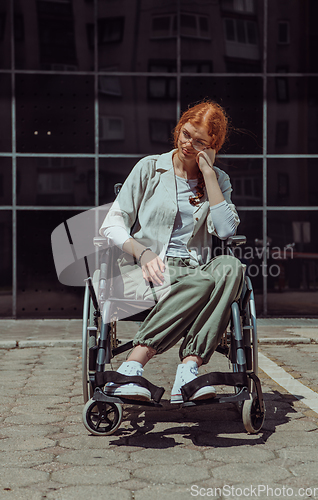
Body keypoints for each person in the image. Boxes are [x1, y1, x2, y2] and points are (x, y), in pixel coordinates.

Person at [100, 100, 244, 404]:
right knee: (204, 283)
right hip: (149, 270)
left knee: (231, 267)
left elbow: (226, 230)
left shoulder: (218, 180)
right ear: (179, 128)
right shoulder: (150, 168)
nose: (188, 144)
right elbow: (112, 224)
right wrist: (141, 252)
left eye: (200, 141)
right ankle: (131, 366)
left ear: (212, 146)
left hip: (194, 272)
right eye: (186, 134)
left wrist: (208, 174)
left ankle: (187, 371)